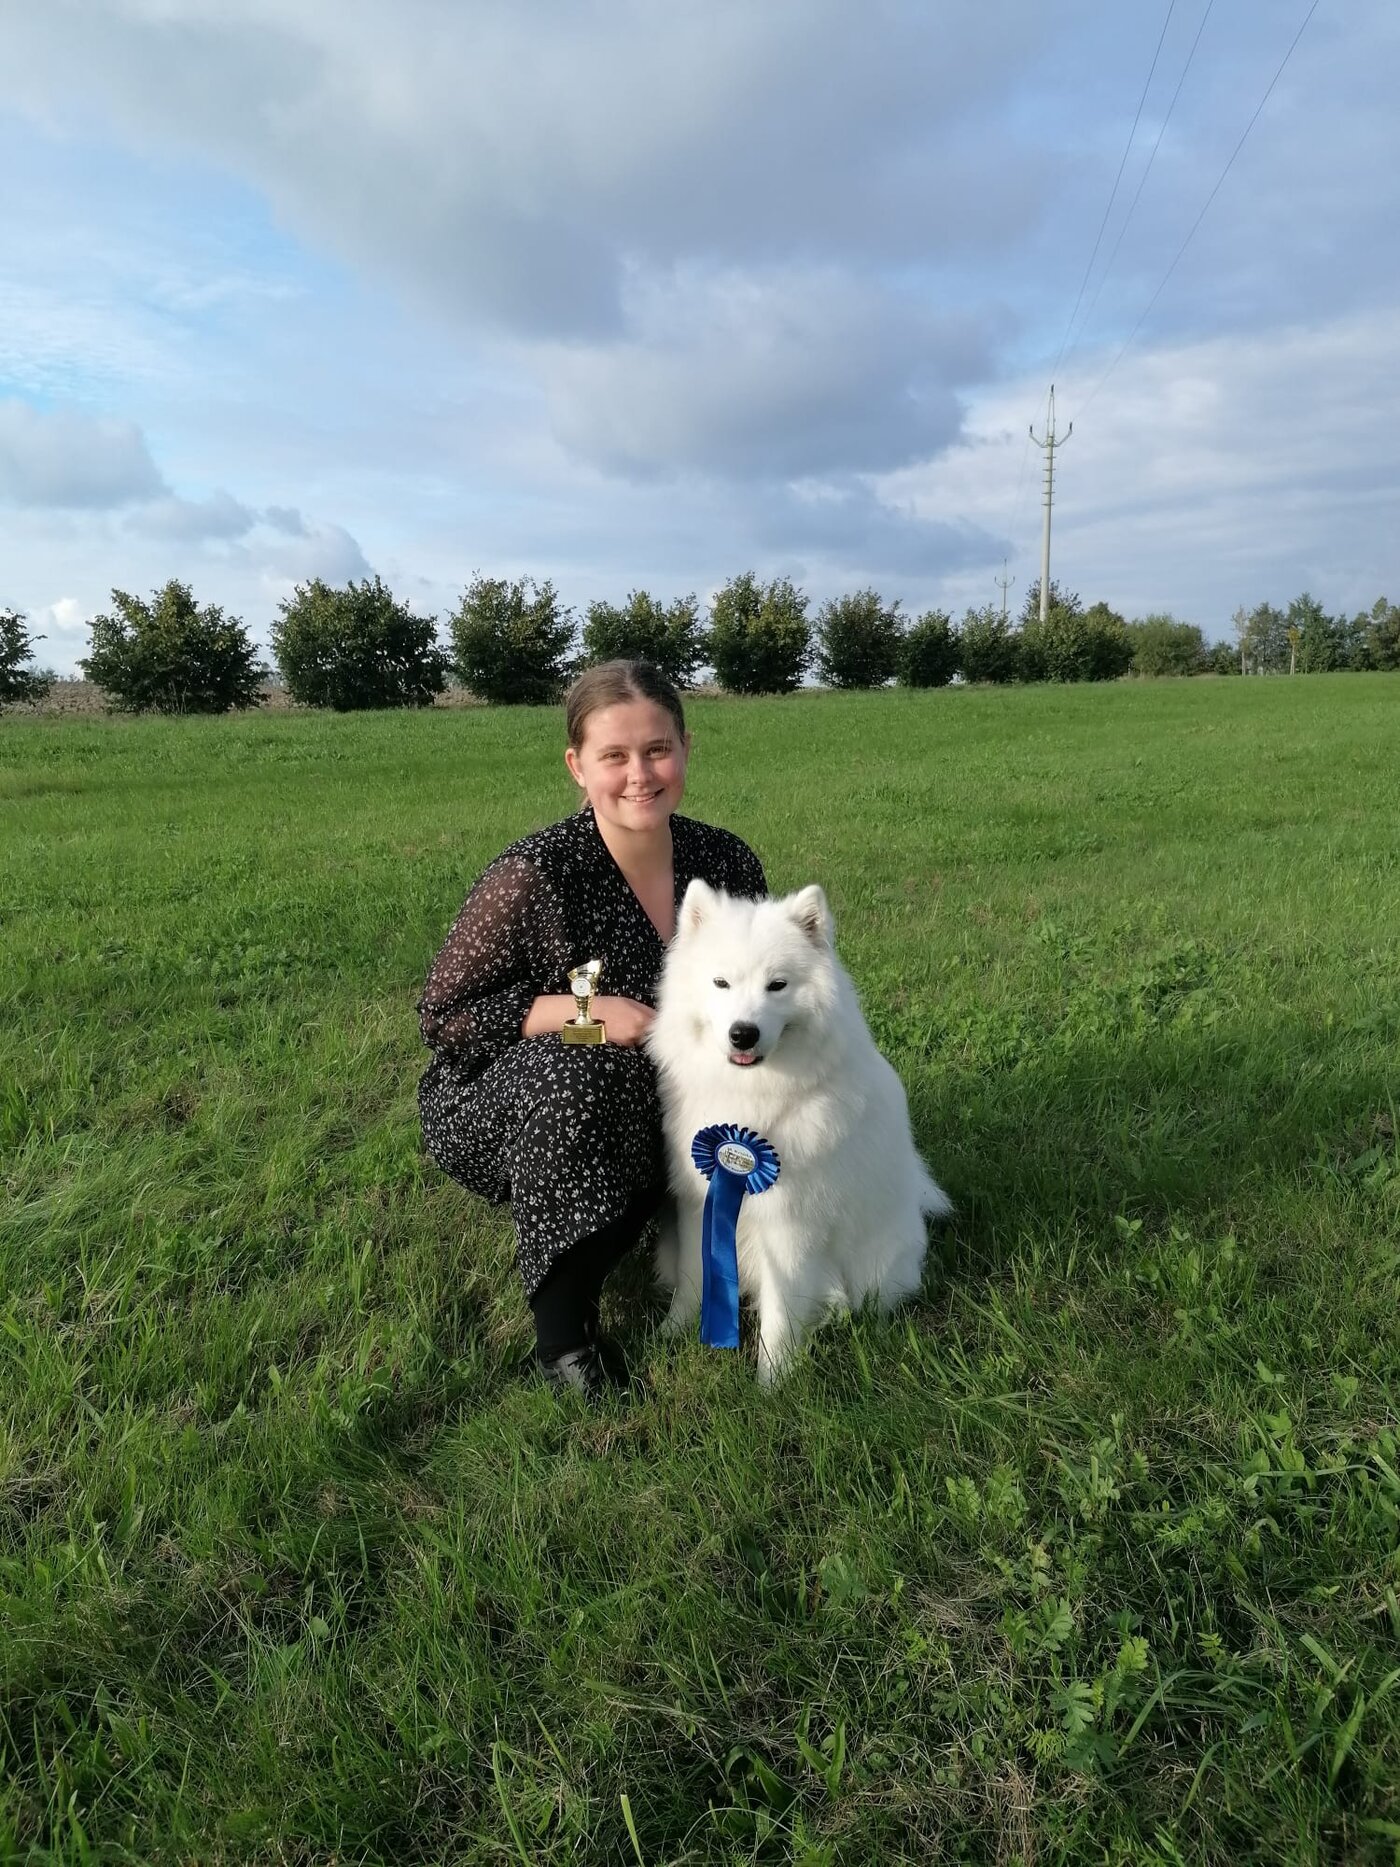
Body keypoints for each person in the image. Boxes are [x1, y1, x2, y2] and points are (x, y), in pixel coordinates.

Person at [417, 660, 767, 1400]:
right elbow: (445, 1018)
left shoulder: (726, 861)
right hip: (519, 1087)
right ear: (578, 766)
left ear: (686, 748)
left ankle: (707, 1244)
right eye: (614, 755)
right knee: (586, 1073)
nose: (640, 774)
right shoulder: (534, 874)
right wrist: (587, 1015)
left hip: (671, 1086)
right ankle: (564, 1338)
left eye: (657, 749)